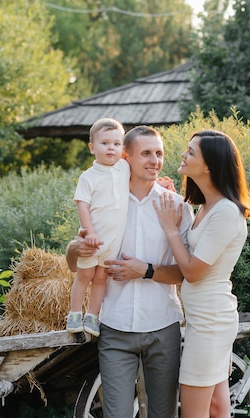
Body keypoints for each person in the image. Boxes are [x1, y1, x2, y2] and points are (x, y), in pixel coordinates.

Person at [66, 125, 193, 418]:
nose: (155, 160)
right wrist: (75, 247)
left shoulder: (176, 206)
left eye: (159, 153)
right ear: (126, 157)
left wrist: (144, 270)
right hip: (115, 328)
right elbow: (75, 265)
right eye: (146, 153)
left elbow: (187, 273)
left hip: (163, 326)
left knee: (163, 414)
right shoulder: (104, 202)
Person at [153, 130, 250, 418]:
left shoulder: (225, 212)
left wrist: (170, 229)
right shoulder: (205, 207)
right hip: (208, 319)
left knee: (194, 412)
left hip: (211, 323)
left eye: (190, 152)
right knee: (215, 407)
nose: (183, 155)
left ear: (209, 165)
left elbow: (194, 272)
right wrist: (172, 198)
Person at [66, 118, 130, 337]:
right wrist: (89, 231)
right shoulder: (88, 177)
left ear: (123, 148)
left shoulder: (125, 169)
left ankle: (93, 315)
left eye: (116, 143)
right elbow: (83, 205)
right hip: (93, 240)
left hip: (113, 240)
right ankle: (75, 313)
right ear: (92, 148)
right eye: (104, 143)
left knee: (101, 278)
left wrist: (160, 183)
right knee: (85, 275)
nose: (111, 148)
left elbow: (144, 180)